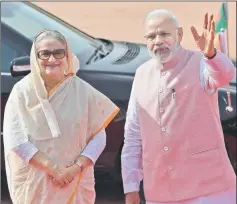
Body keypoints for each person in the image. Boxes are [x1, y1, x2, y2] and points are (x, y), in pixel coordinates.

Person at [121, 9, 236, 204]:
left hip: (208, 190)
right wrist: (131, 187)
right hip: (160, 191)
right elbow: (133, 134)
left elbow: (224, 74)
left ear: (179, 35)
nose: (158, 41)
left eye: (164, 34)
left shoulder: (200, 62)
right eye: (151, 36)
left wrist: (212, 55)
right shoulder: (141, 74)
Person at [3, 30, 119, 204]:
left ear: (67, 56)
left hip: (75, 180)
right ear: (36, 57)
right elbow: (16, 140)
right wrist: (53, 169)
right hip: (36, 184)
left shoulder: (82, 91)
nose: (52, 59)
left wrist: (74, 169)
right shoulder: (22, 92)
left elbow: (99, 136)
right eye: (45, 53)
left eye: (58, 53)